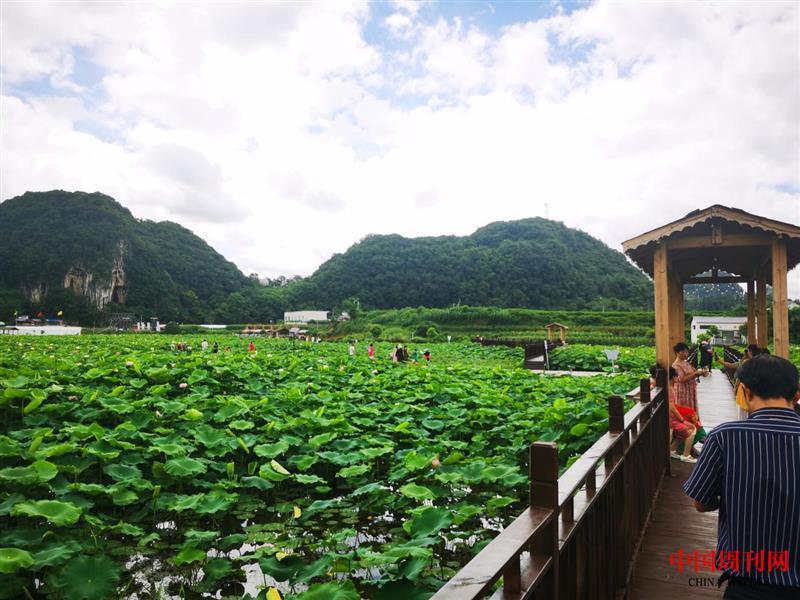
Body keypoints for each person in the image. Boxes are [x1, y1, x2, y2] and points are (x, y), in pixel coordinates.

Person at [683, 355, 800, 598]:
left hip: (746, 584)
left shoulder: (725, 437)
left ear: (744, 392)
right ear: (796, 393)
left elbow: (701, 502)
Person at [668, 367, 697, 463]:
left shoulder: (670, 387)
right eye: (676, 375)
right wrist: (682, 420)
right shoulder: (669, 389)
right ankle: (686, 455)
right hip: (671, 420)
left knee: (685, 429)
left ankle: (672, 450)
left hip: (672, 418)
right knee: (691, 429)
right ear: (673, 377)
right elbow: (671, 406)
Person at [672, 342, 708, 413]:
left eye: (687, 351)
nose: (686, 354)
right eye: (683, 352)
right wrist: (695, 373)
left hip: (690, 390)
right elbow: (681, 379)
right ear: (677, 353)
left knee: (690, 409)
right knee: (685, 410)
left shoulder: (685, 362)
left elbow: (693, 372)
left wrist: (701, 373)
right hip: (682, 391)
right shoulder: (676, 365)